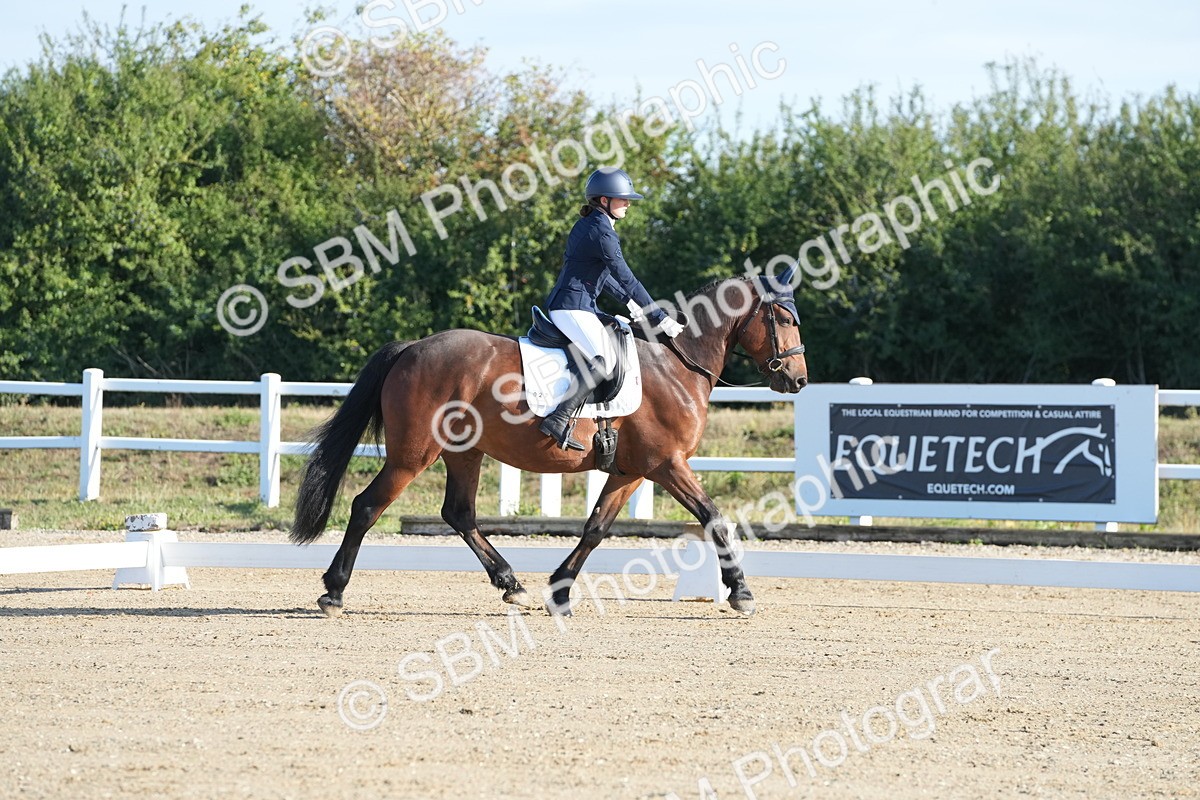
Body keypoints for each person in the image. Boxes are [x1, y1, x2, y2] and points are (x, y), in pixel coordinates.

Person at [538, 166, 685, 451]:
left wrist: (628, 302)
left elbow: (602, 277)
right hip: (572, 307)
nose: (628, 204)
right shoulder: (601, 232)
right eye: (623, 199)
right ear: (604, 200)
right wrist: (658, 315)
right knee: (603, 358)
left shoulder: (595, 225)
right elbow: (626, 276)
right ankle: (558, 418)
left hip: (578, 305)